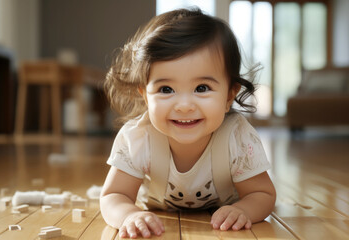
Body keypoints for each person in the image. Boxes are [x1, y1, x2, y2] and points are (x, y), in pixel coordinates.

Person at [100, 8, 276, 239]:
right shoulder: (138, 138)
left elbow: (262, 193)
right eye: (166, 89)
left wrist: (242, 210)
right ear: (145, 95)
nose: (184, 105)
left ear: (229, 96)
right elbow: (113, 195)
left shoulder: (237, 137)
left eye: (201, 88)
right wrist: (129, 215)